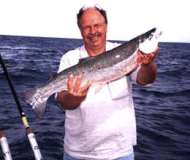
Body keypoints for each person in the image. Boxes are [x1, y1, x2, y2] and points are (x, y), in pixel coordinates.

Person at [56, 4, 158, 160]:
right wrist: (76, 97)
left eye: (97, 25)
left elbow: (145, 80)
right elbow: (62, 101)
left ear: (106, 26)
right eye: (87, 27)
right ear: (80, 30)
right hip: (78, 153)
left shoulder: (124, 51)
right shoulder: (69, 58)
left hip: (120, 152)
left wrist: (148, 64)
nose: (93, 31)